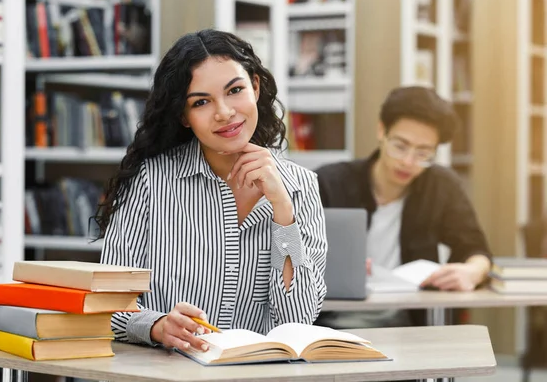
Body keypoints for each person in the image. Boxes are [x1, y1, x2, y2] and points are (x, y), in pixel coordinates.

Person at [95, 29, 328, 352]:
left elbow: (297, 321)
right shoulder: (151, 181)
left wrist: (282, 211)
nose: (224, 112)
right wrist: (157, 326)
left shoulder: (301, 187)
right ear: (184, 116)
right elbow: (106, 306)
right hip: (167, 375)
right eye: (201, 102)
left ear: (255, 87)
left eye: (234, 90)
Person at [315, 86, 492, 328]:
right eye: (400, 146)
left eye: (423, 153)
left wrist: (472, 272)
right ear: (381, 131)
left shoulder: (441, 186)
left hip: (410, 321)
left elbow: (476, 248)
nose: (408, 162)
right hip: (332, 319)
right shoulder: (328, 182)